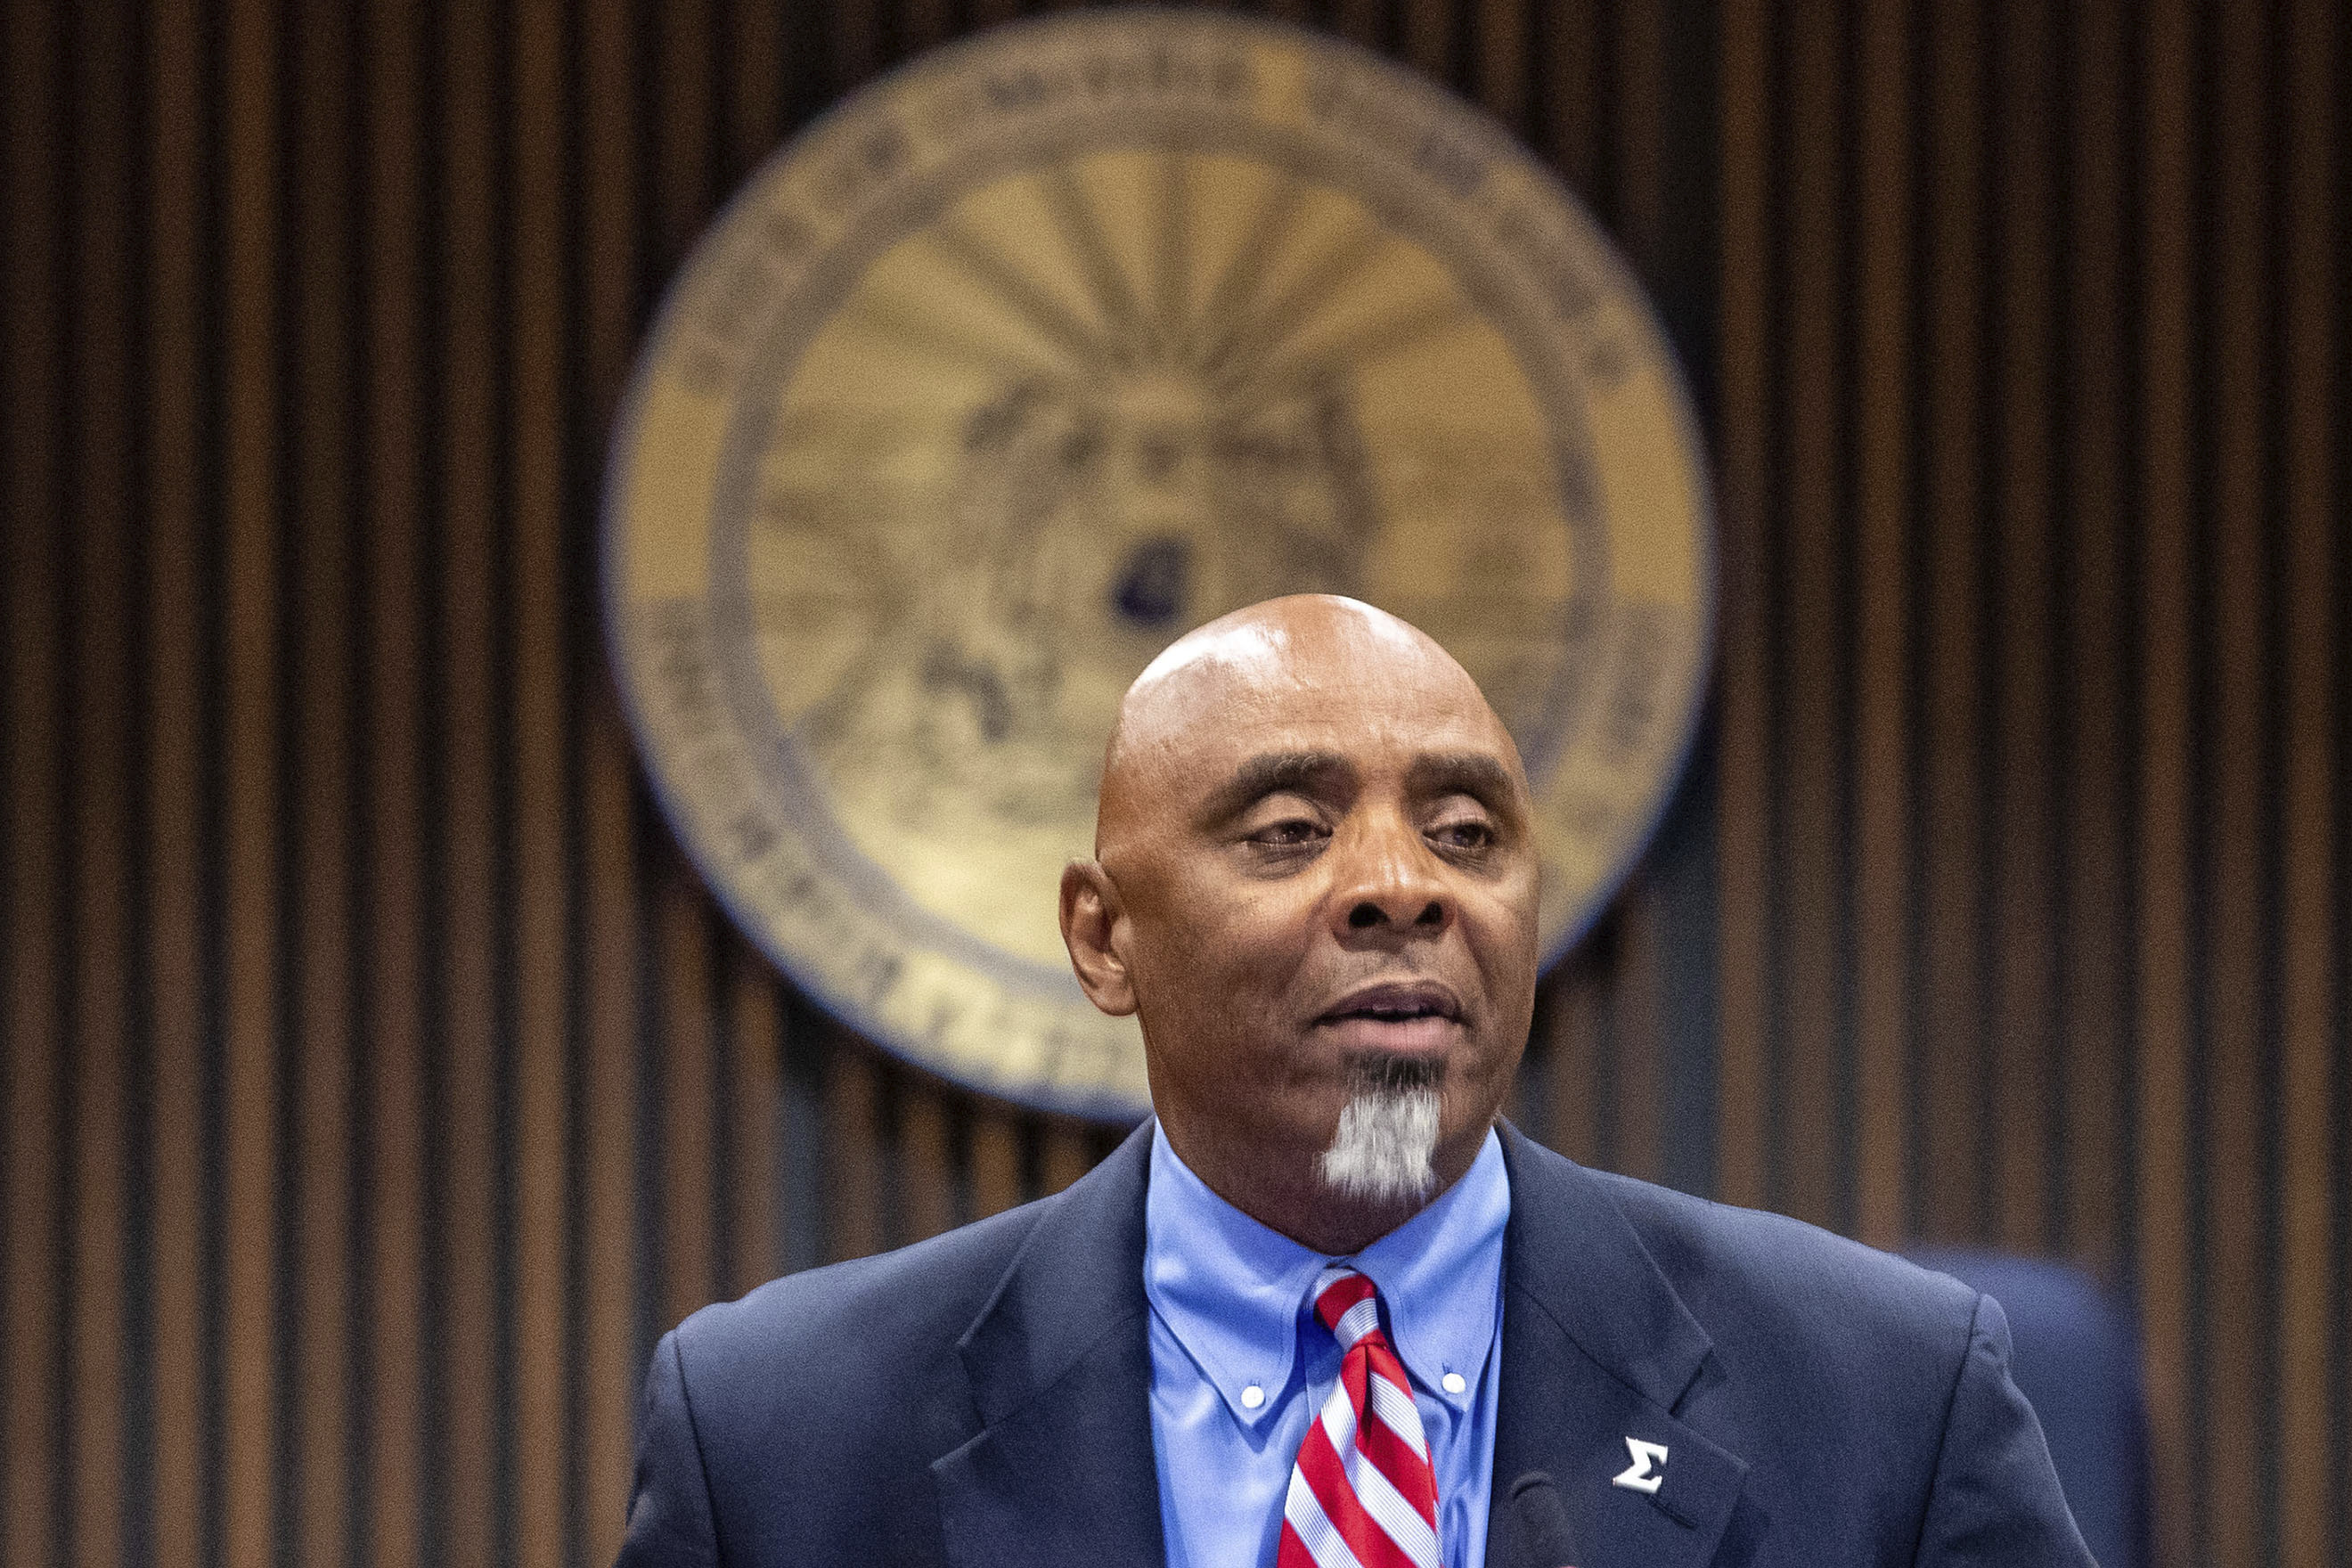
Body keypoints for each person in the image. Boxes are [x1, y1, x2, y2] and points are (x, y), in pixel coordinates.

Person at [615, 595, 2092, 1568]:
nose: (1400, 887)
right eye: (1286, 832)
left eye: (1463, 832)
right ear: (1103, 936)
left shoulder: (1888, 1402)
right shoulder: (782, 1443)